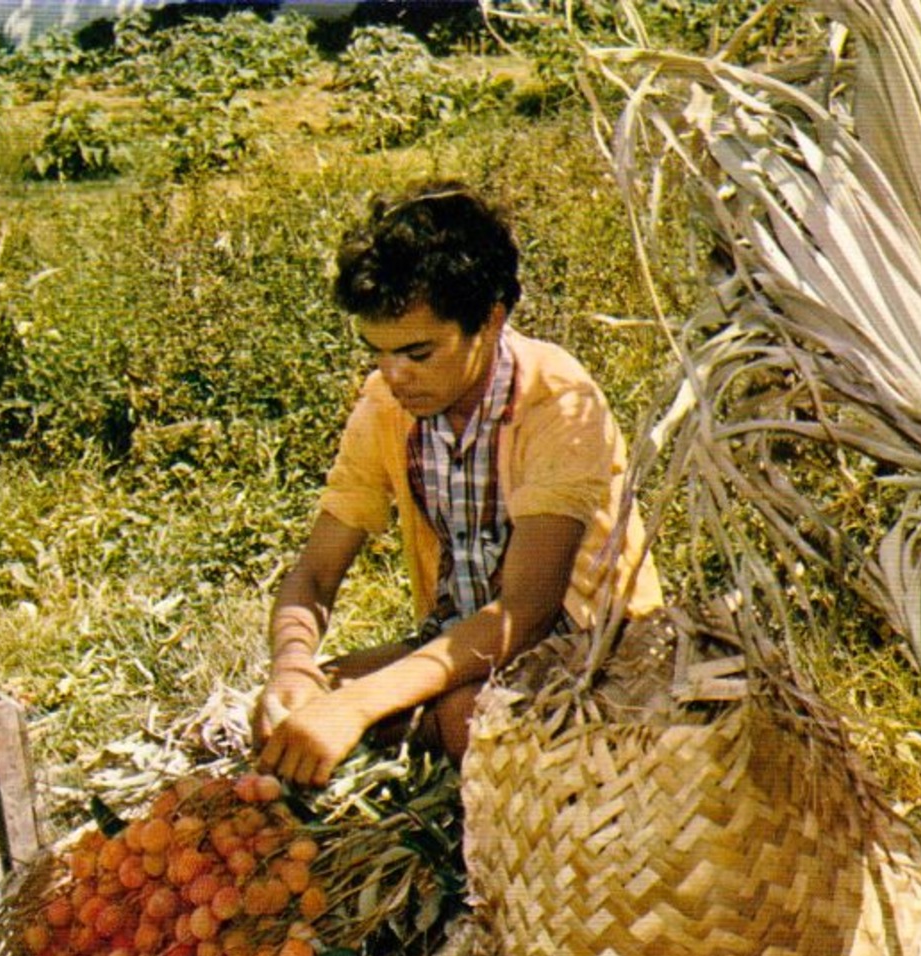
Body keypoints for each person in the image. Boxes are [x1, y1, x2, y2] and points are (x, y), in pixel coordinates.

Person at [253, 181, 663, 787]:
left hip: (591, 653)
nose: (394, 374)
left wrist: (363, 705)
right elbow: (315, 574)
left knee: (461, 717)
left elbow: (524, 618)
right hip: (461, 647)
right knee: (289, 713)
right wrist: (294, 665)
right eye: (378, 352)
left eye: (418, 353)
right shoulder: (385, 408)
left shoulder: (560, 405)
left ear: (491, 320)